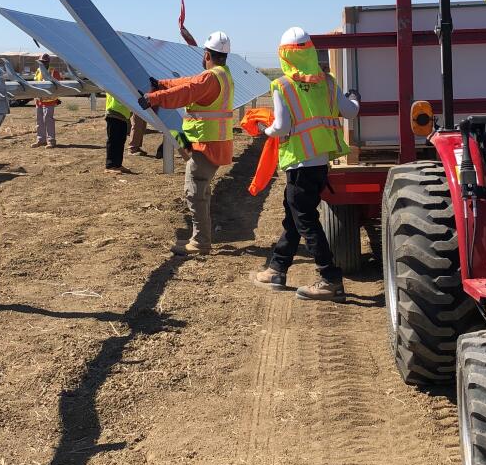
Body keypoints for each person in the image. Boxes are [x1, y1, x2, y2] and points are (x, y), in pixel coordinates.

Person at [251, 27, 360, 301]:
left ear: (285, 55)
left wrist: (264, 130)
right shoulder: (328, 82)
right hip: (320, 163)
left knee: (306, 221)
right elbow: (351, 111)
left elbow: (282, 126)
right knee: (295, 217)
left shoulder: (283, 86)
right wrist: (355, 96)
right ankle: (277, 268)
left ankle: (330, 279)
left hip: (299, 165)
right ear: (310, 51)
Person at [139, 31, 235, 256]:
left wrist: (155, 97)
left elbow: (187, 91)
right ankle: (200, 237)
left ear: (207, 54)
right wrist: (162, 84)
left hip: (206, 144)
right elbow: (188, 82)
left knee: (195, 191)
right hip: (213, 143)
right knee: (201, 190)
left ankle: (201, 241)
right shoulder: (223, 75)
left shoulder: (210, 78)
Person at [32, 55, 60, 149]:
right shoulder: (38, 71)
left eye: (44, 62)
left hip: (49, 100)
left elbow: (58, 87)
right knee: (39, 121)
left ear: (48, 62)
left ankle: (51, 141)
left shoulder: (53, 72)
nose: (42, 63)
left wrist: (55, 98)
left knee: (48, 120)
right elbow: (35, 83)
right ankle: (41, 140)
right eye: (41, 62)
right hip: (39, 100)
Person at [103, 93, 131, 174]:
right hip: (113, 112)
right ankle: (110, 166)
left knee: (121, 141)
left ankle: (117, 164)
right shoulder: (113, 82)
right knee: (113, 140)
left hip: (123, 115)